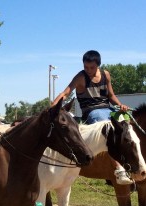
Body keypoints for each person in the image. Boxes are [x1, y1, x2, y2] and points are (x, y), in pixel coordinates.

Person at [52, 50, 132, 185]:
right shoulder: (80, 77)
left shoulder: (105, 75)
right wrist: (53, 106)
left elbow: (110, 96)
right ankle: (119, 169)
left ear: (98, 65)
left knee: (126, 122)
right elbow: (66, 93)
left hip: (108, 109)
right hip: (92, 111)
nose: (88, 70)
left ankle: (132, 163)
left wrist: (120, 106)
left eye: (92, 67)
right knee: (106, 127)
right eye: (86, 67)